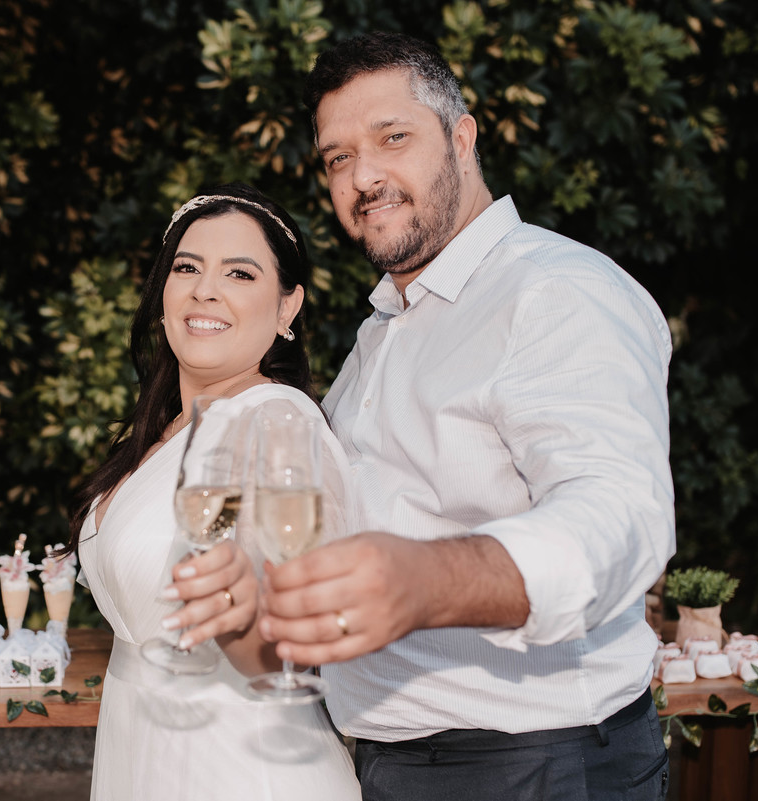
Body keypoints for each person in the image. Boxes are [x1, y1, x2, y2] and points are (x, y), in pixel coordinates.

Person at [256, 32, 677, 800]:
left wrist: (425, 579)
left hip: (535, 763)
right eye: (338, 157)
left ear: (461, 137)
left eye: (392, 137)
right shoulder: (383, 329)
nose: (363, 176)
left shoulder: (553, 291)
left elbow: (621, 518)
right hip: (391, 756)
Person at [66, 183, 361, 800]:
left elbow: (290, 645)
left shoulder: (276, 421)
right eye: (187, 268)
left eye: (240, 273)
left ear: (287, 308)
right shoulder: (162, 431)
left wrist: (248, 617)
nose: (205, 289)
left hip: (242, 769)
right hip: (136, 753)